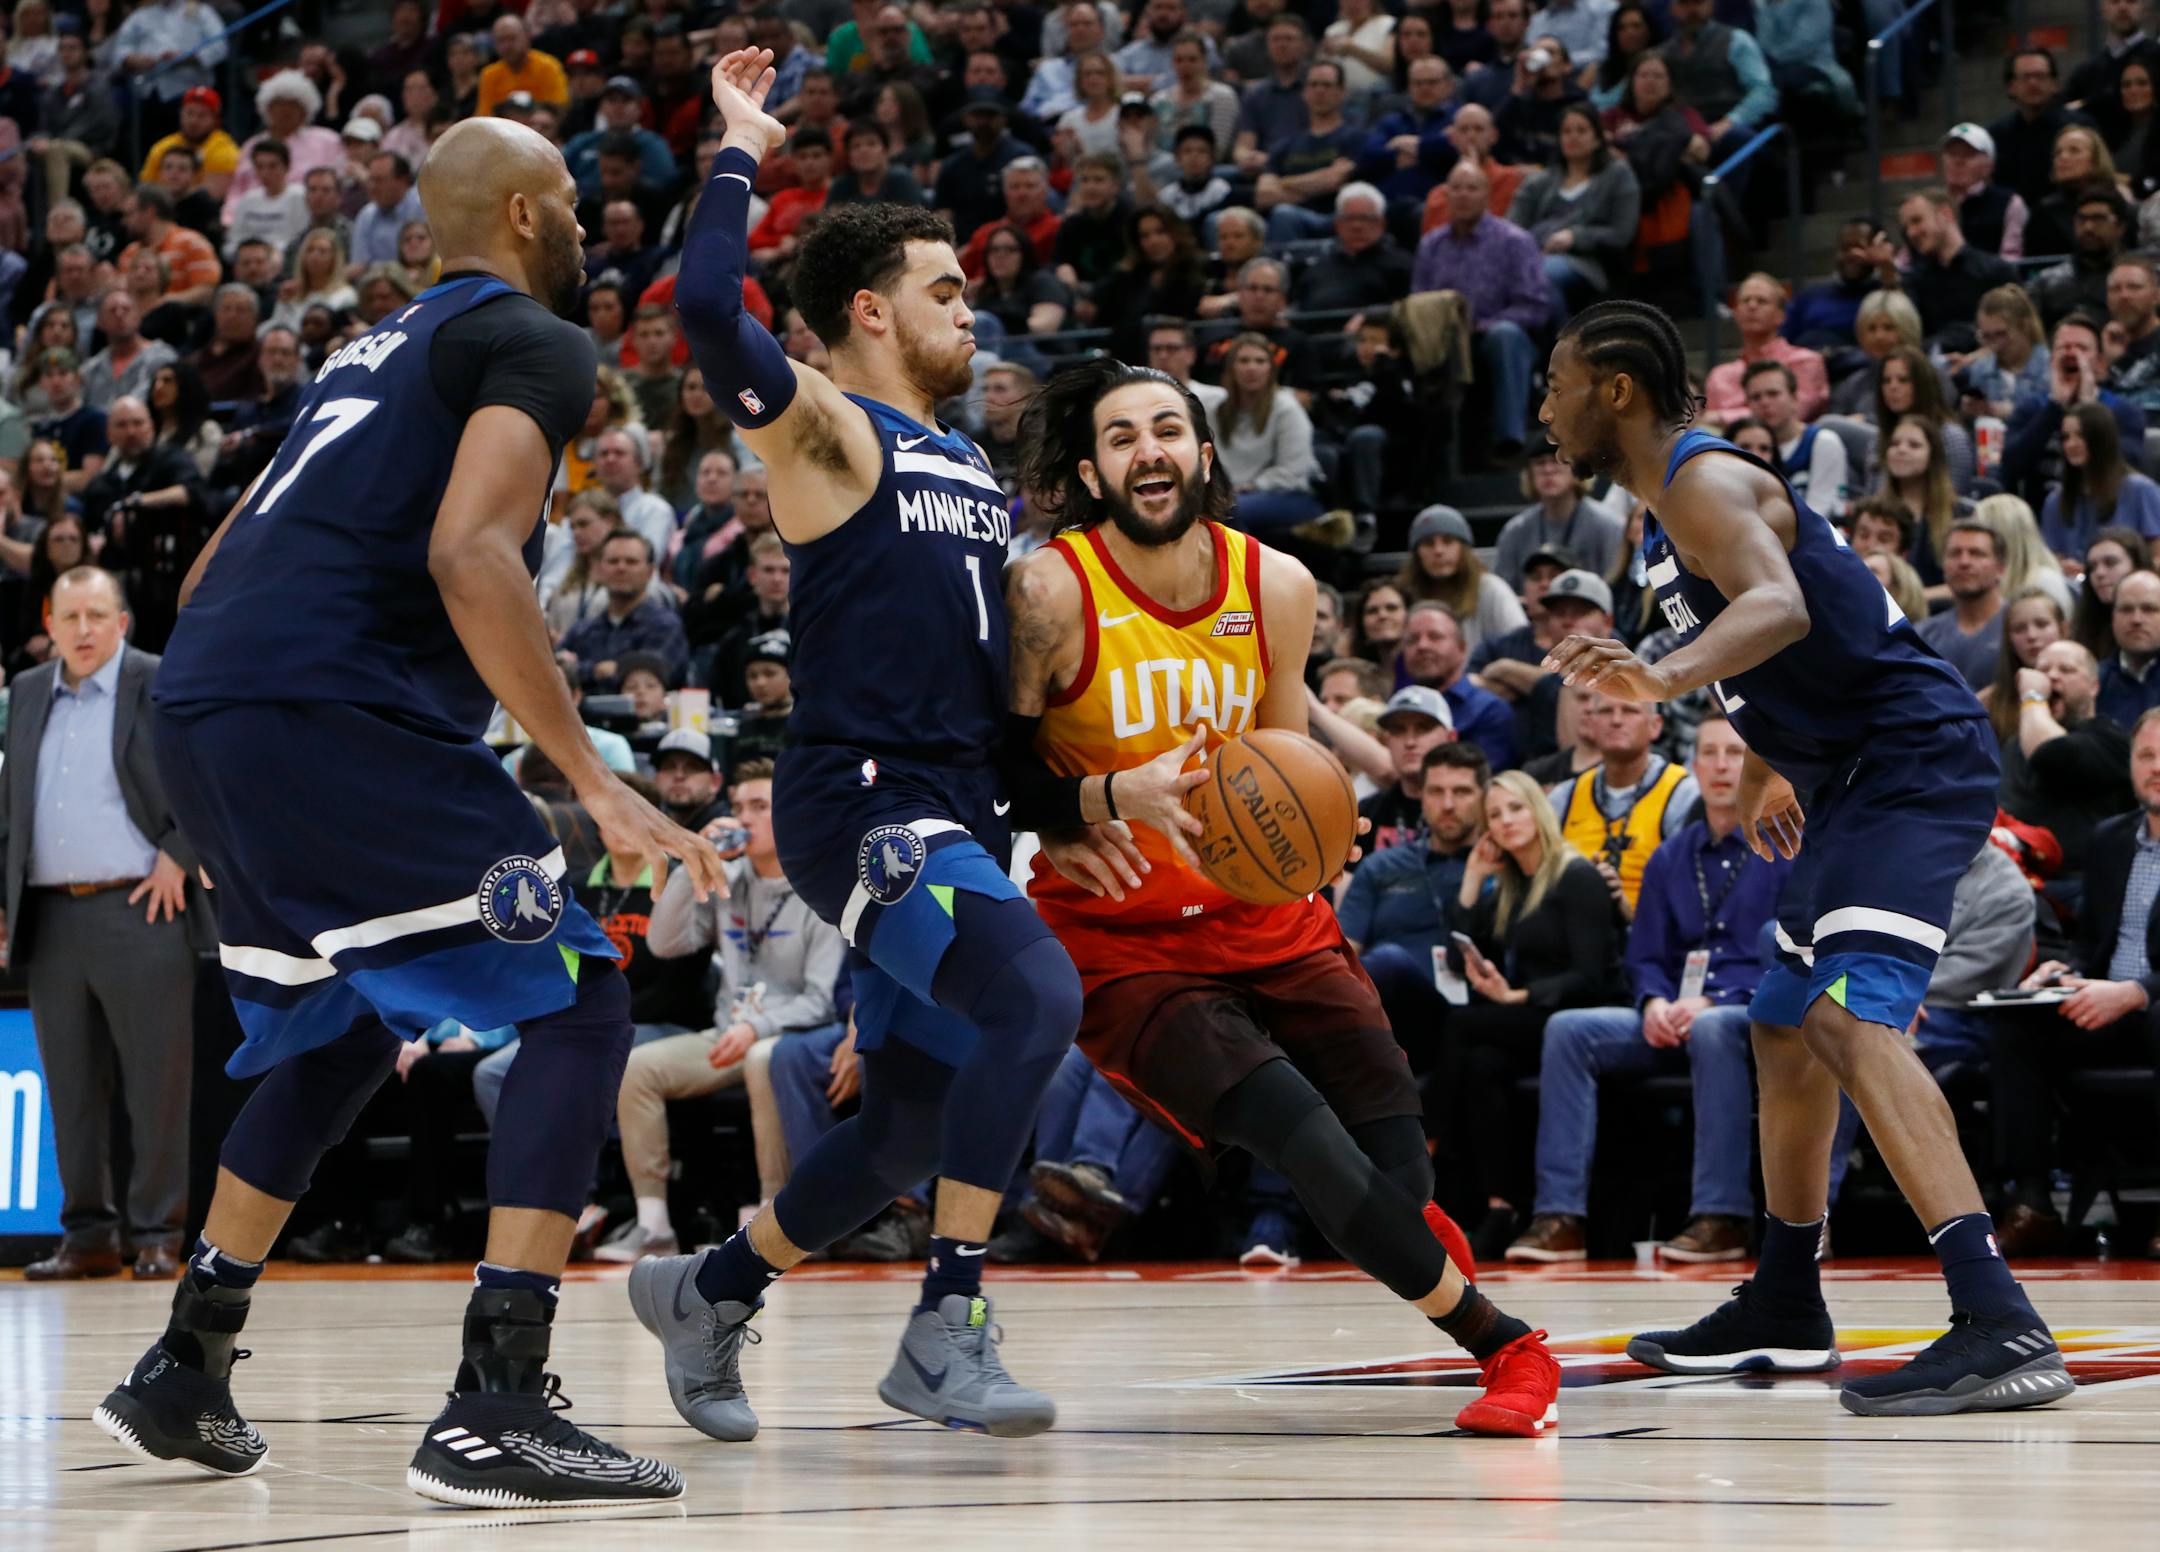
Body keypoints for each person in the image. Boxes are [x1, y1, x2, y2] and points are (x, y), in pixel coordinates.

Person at [92, 115, 714, 1505]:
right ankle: (499, 1403)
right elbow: (469, 551)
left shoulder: (359, 357)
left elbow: (202, 577)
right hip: (330, 709)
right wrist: (593, 778)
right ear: (532, 217)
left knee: (344, 1026)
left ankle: (187, 1362)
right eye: (571, 200)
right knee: (579, 996)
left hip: (204, 706)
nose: (581, 222)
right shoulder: (538, 342)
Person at [633, 48, 1087, 1444]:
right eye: (947, 290)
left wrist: (1072, 797)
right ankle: (948, 1325)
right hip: (873, 803)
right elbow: (706, 307)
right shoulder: (829, 432)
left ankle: (707, 1291)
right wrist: (739, 148)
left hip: (960, 800)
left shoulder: (971, 463)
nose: (972, 305)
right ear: (872, 312)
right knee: (1038, 1000)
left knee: (904, 1125)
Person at [1005, 353, 1562, 1435]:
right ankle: (1509, 1347)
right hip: (1129, 941)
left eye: (1167, 430)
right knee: (1305, 1142)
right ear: (1092, 472)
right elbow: (992, 767)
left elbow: (1285, 757)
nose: (1149, 451)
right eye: (1121, 437)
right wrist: (1083, 807)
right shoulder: (1050, 589)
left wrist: (1314, 835)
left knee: (1394, 1179)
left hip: (1269, 917)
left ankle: (1447, 1290)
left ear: (1204, 454)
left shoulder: (1278, 586)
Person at [1540, 298, 2071, 1415]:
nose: (1544, 409)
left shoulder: (1704, 480)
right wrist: (1768, 761)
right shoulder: (1660, 516)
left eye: (1557, 385)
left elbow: (1776, 606)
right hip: (1843, 774)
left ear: (1616, 390)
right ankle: (1786, 1298)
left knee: (1844, 1017)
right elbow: (1792, 637)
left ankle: (1999, 1317)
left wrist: (1659, 677)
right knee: (1781, 1023)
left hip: (1911, 759)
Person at [1506, 710, 1789, 1263]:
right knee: (1569, 1030)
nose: (1722, 766)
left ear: (1757, 766)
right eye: (1709, 754)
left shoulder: (1784, 847)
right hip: (1670, 1015)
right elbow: (1644, 955)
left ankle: (1722, 1217)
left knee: (1712, 1028)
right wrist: (1654, 1001)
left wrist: (1714, 998)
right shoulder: (1670, 856)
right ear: (1693, 768)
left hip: (1748, 1016)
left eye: (1735, 753)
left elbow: (1790, 953)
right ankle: (1560, 1217)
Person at [8, 567, 206, 1283]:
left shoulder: (157, 679)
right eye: (70, 617)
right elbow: (11, 803)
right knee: (69, 1089)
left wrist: (180, 853)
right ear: (49, 625)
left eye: (97, 614)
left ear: (122, 622)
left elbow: (212, 770)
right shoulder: (29, 690)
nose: (84, 629)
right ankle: (88, 1235)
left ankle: (157, 1233)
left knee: (155, 1085)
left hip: (140, 908)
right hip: (50, 913)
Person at [601, 759, 847, 1261]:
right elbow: (664, 942)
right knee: (635, 1068)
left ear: (790, 815)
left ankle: (775, 1217)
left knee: (762, 1058)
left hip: (789, 1036)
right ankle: (653, 1225)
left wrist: (757, 1027)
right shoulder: (728, 879)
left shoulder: (818, 887)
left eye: (758, 806)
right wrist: (694, 862)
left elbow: (821, 1000)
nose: (743, 818)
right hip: (726, 1035)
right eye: (738, 806)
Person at [1991, 707, 2160, 1258]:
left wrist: (2137, 992)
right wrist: (2064, 970)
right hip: (2105, 1005)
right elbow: (2091, 941)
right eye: (2146, 756)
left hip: (2148, 1004)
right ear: (2130, 766)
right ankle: (2033, 1202)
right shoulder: (2111, 839)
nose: (2156, 768)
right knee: (2017, 1025)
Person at [1447, 770, 1624, 1256]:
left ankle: (1429, 1139)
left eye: (1515, 808)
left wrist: (1516, 997)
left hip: (1586, 1017)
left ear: (1539, 810)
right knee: (1481, 1064)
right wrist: (1472, 877)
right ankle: (1502, 1206)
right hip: (1538, 1019)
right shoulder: (1512, 887)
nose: (1506, 821)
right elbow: (1458, 962)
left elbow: (1590, 978)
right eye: (1495, 815)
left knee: (1461, 1026)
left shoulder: (1576, 875)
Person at [1411, 161, 1549, 457]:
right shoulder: (1431, 245)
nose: (1463, 195)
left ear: (1487, 194)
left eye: (1472, 188)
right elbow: (1418, 302)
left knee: (1504, 335)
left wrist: (1481, 326)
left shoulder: (1514, 241)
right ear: (1446, 195)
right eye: (1456, 188)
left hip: (1497, 339)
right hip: (1446, 341)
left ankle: (1510, 441)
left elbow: (1535, 307)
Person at [1548, 684, 1698, 916]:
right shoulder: (1564, 797)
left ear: (1655, 726)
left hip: (1655, 926)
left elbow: (1688, 887)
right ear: (1591, 723)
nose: (1616, 720)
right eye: (1606, 711)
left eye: (1629, 711)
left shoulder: (1683, 793)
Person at [1999, 636, 2134, 891]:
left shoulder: (2110, 738)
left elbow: (2051, 753)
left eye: (2066, 669)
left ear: (2094, 686)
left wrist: (2032, 697)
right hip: (2012, 879)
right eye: (2043, 670)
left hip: (2080, 885)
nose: (2051, 677)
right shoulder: (2014, 744)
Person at [1509, 102, 1639, 316]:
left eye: (1581, 130)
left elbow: (1621, 233)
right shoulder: (1541, 180)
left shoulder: (1618, 175)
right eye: (1566, 131)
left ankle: (1563, 336)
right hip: (1535, 253)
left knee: (1543, 274)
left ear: (1598, 138)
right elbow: (1512, 228)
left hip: (1587, 262)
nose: (1573, 137)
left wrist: (1575, 237)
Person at [1889, 188, 2019, 354]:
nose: (1911, 233)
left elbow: (2017, 331)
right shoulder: (1915, 281)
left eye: (1917, 221)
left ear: (1946, 215)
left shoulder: (1996, 271)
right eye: (1906, 227)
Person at [558, 530, 689, 691]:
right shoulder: (582, 631)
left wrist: (578, 671)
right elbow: (553, 672)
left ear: (650, 572)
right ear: (599, 569)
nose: (621, 568)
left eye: (631, 562)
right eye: (613, 561)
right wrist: (596, 671)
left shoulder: (665, 627)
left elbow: (651, 679)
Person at [1400, 600, 1522, 770]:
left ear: (1462, 648)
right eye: (1412, 640)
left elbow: (1481, 781)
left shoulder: (1490, 711)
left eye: (1435, 637)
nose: (1422, 646)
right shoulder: (1397, 708)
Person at [1701, 273, 1830, 425]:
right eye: (1745, 301)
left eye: (1761, 301)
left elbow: (1792, 412)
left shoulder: (1805, 361)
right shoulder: (1719, 376)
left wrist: (1721, 417)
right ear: (1736, 313)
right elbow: (1706, 426)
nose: (1752, 306)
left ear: (1781, 315)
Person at [2041, 399, 2160, 557]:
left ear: (2101, 438)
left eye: (2080, 435)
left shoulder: (2140, 490)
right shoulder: (2055, 500)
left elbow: (2157, 556)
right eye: (2065, 437)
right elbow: (2050, 556)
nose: (2071, 444)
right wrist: (2062, 564)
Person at [1494, 448, 1625, 587]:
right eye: (1540, 463)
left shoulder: (1608, 526)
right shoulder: (1515, 531)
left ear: (1576, 468)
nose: (1548, 470)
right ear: (1529, 474)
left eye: (1556, 461)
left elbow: (1616, 588)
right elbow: (1505, 590)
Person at [1362, 684, 1461, 851]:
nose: (1410, 742)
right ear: (1387, 741)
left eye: (1423, 728)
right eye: (1398, 730)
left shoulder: (1476, 810)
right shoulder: (1368, 813)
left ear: (1450, 738)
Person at [1744, 360, 1846, 518]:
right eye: (1756, 397)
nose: (1764, 402)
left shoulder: (1823, 442)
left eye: (1773, 394)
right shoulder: (1743, 446)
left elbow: (1820, 511)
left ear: (1794, 398)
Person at [1915, 519, 2009, 691]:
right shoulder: (1923, 635)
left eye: (1977, 554)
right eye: (1955, 553)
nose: (1964, 562)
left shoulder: (2024, 628)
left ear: (2001, 569)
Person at [2097, 567, 2160, 725]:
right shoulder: (2094, 683)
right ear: (2113, 617)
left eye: (2149, 609)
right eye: (2126, 610)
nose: (2136, 619)